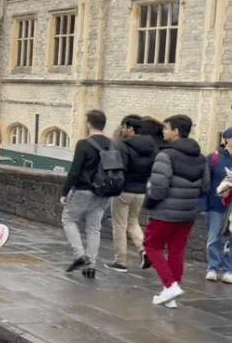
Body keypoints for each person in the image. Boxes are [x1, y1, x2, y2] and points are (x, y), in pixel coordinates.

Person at [143, 114, 209, 307]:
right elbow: (205, 186)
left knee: (152, 246)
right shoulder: (201, 158)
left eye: (167, 128)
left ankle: (170, 285)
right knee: (177, 250)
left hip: (165, 212)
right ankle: (171, 294)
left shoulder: (165, 155)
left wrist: (149, 201)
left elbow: (158, 188)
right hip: (188, 213)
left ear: (176, 132)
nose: (164, 131)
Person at [60, 110, 112, 274]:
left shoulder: (84, 144)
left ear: (89, 124)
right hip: (104, 193)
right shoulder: (112, 145)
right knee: (94, 228)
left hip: (83, 190)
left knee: (68, 219)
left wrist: (64, 192)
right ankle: (91, 265)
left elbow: (75, 171)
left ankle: (80, 255)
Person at [104, 115, 154, 272]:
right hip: (141, 191)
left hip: (124, 190)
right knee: (132, 222)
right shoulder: (151, 146)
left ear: (131, 129)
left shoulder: (123, 146)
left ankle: (120, 261)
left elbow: (119, 169)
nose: (123, 130)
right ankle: (144, 251)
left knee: (119, 225)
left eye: (125, 127)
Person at [203, 127, 232, 283]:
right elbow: (206, 182)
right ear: (226, 140)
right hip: (216, 203)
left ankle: (228, 269)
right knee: (214, 236)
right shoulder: (214, 158)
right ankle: (213, 267)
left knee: (231, 238)